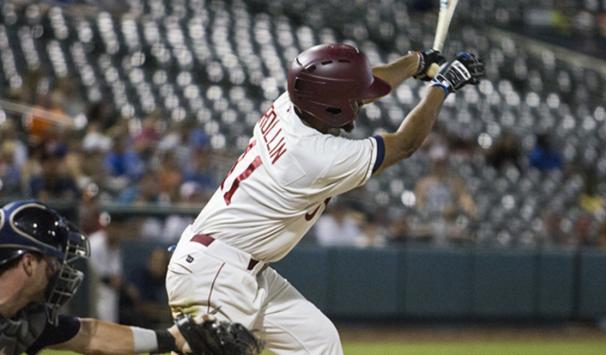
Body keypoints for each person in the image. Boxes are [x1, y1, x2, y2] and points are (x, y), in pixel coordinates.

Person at [166, 43, 484, 354]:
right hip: (216, 272)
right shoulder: (313, 156)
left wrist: (415, 62)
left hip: (235, 265)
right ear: (331, 105)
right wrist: (443, 85)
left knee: (319, 342)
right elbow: (404, 145)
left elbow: (360, 87)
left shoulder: (289, 104)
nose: (359, 104)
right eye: (352, 100)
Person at [0, 200, 261, 355]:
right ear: (29, 263)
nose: (58, 272)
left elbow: (92, 336)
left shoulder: (25, 318)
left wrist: (171, 338)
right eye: (53, 263)